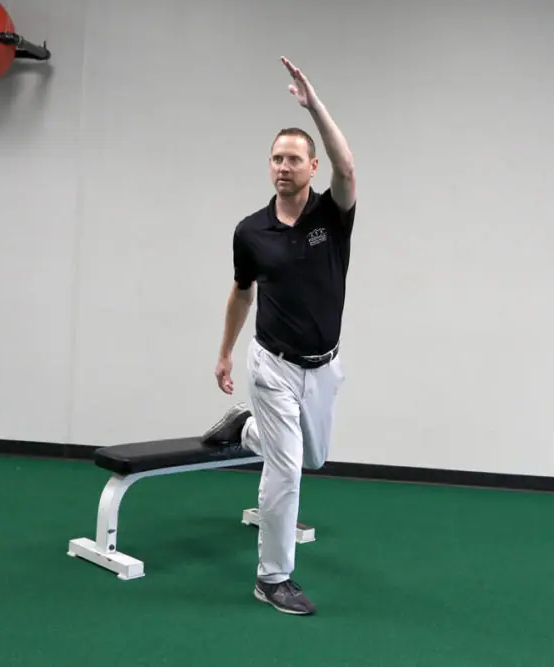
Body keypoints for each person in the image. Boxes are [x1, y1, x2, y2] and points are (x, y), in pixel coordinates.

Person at [200, 56, 357, 616]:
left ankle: (246, 429)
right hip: (273, 363)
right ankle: (273, 577)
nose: (284, 166)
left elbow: (350, 168)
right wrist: (223, 353)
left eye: (294, 158)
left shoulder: (332, 216)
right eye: (276, 159)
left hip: (323, 365)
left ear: (313, 165)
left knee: (311, 458)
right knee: (286, 470)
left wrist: (314, 105)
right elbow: (241, 292)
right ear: (269, 167)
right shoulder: (251, 231)